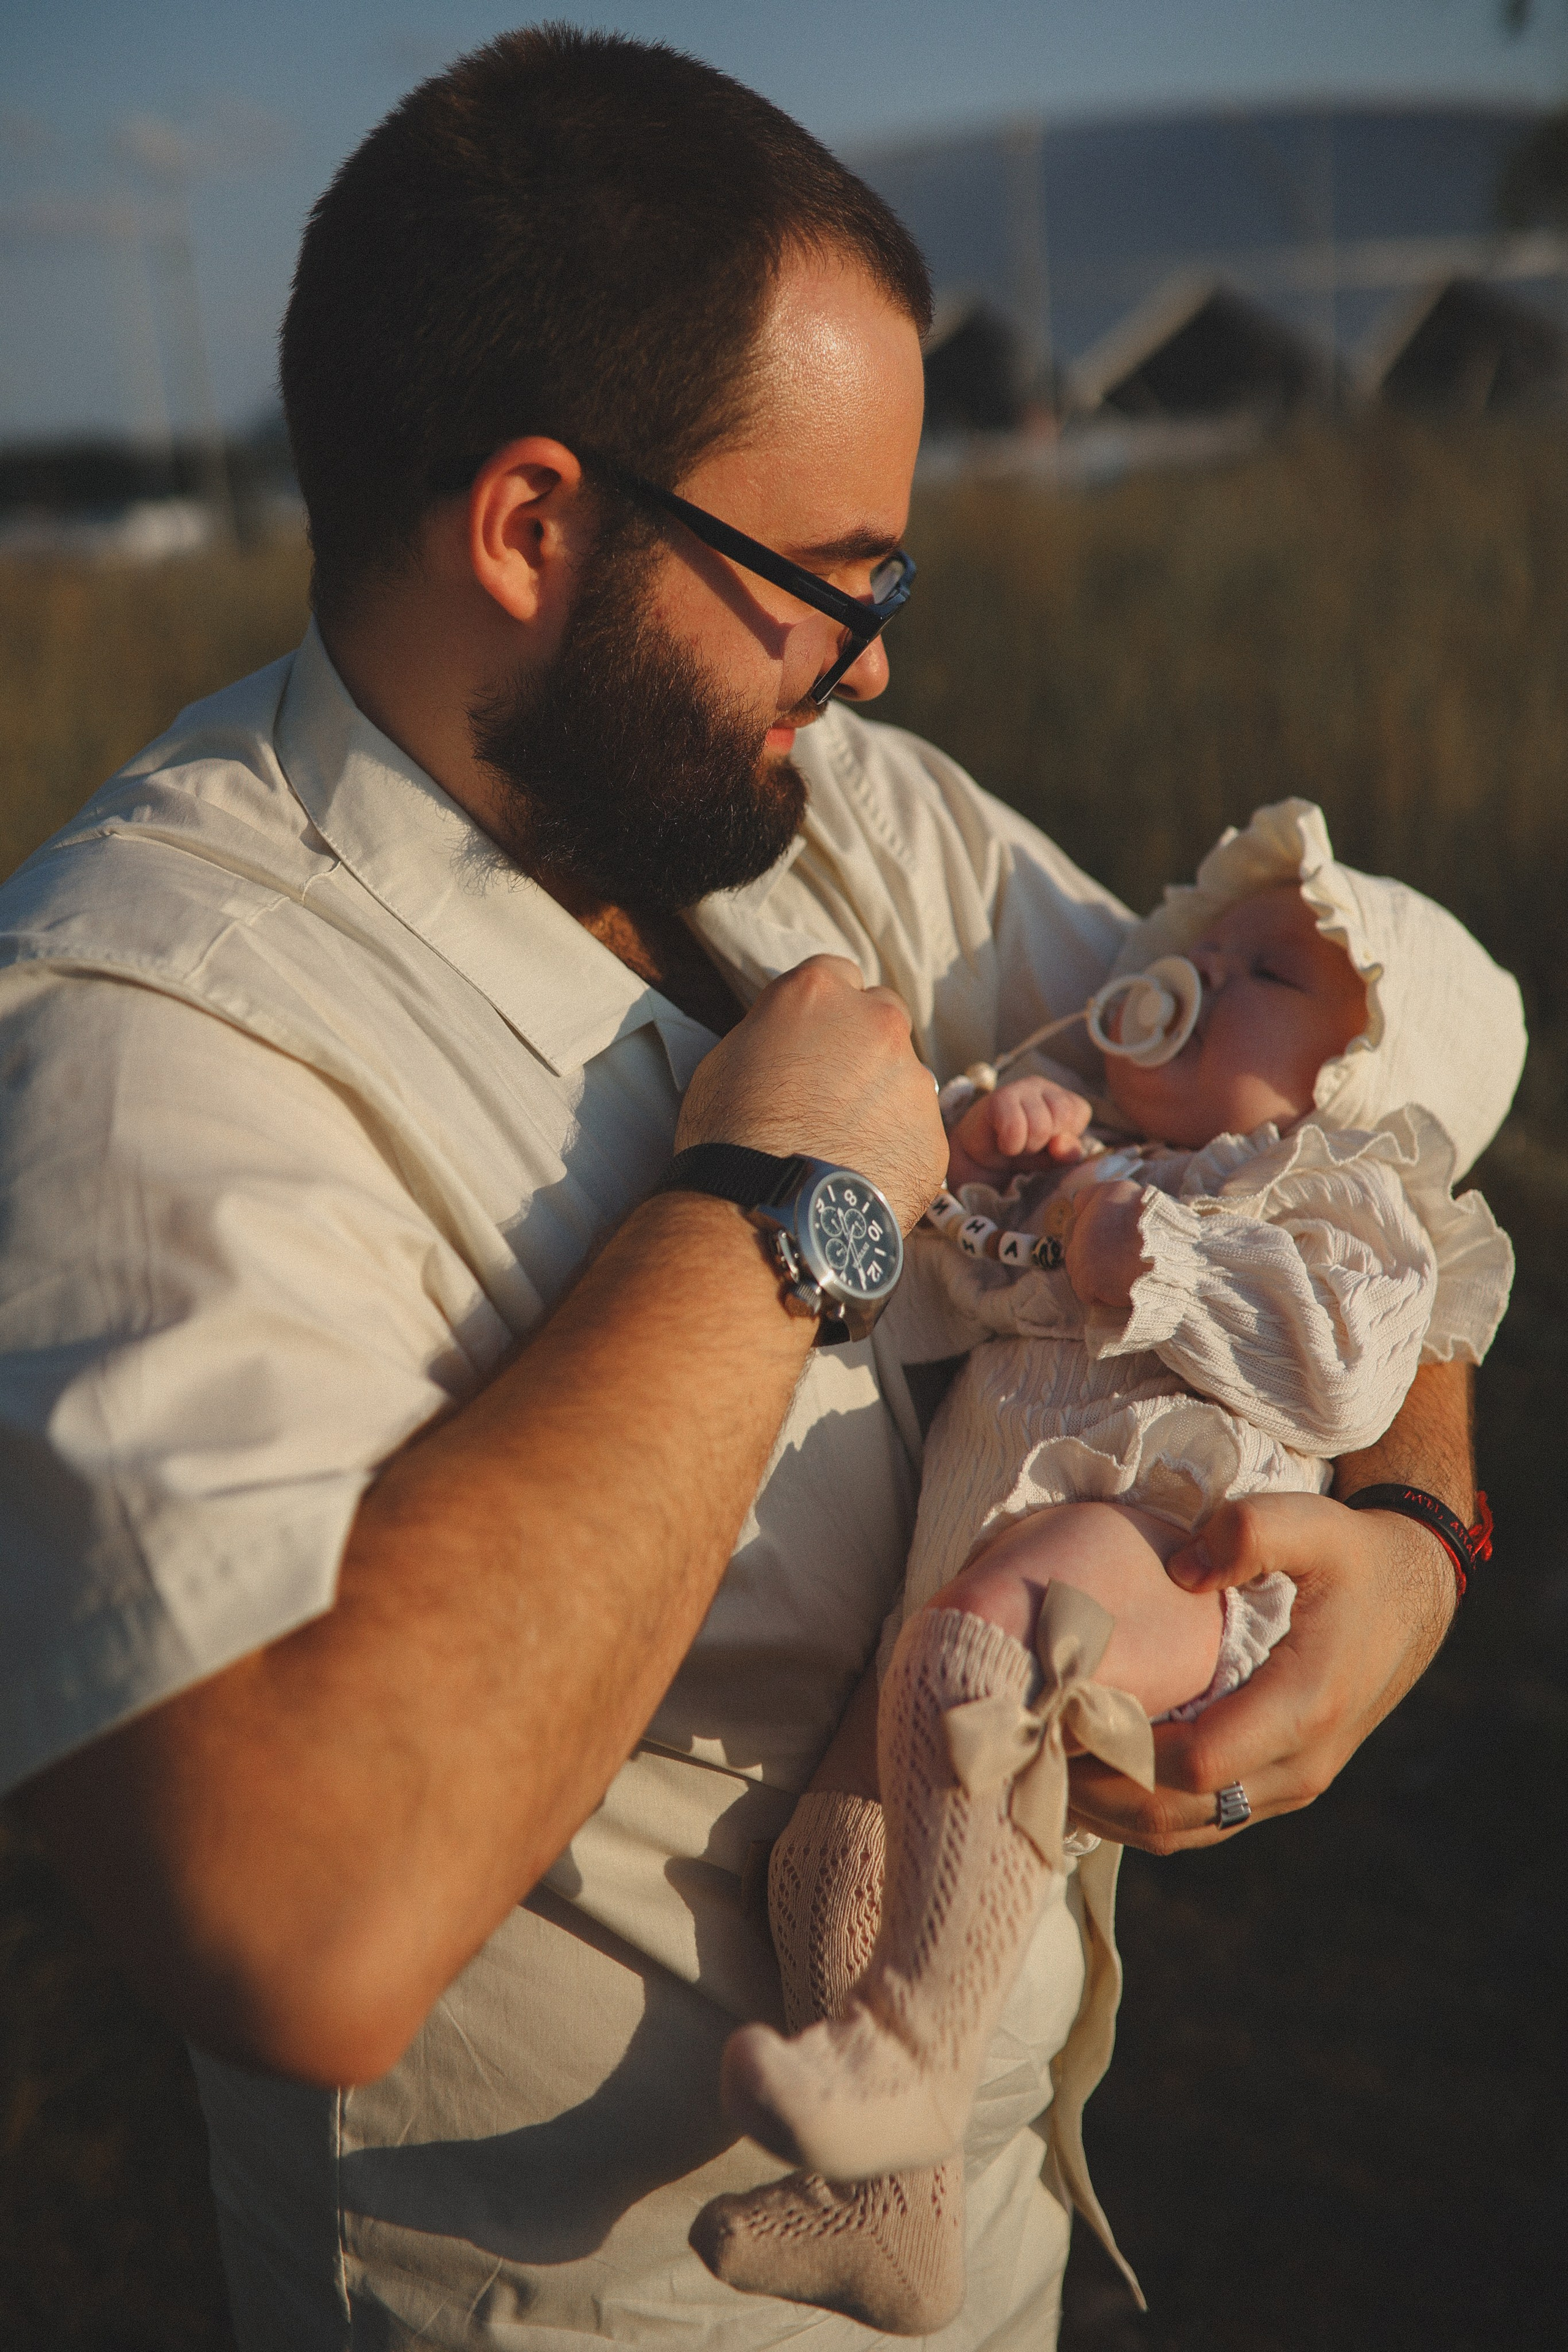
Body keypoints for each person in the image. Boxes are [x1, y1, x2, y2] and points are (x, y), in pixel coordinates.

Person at [0, 31, 1479, 2351]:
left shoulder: (831, 804)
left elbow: (1358, 1109)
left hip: (1007, 2257)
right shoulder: (148, 1034)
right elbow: (295, 1910)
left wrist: (1413, 1540)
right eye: (827, 575)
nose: (877, 655)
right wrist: (783, 1204)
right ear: (531, 526)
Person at [696, 801, 1521, 2334]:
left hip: (1173, 1541)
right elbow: (944, 1291)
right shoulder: (1095, 1140)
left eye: (1264, 971)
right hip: (993, 1537)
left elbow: (1344, 1378)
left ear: (1356, 1083)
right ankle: (887, 2206)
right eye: (1204, 944)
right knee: (832, 1849)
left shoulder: (1332, 1200)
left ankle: (903, 2052)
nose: (1202, 969)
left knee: (980, 1659)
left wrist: (1150, 1249)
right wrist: (979, 1166)